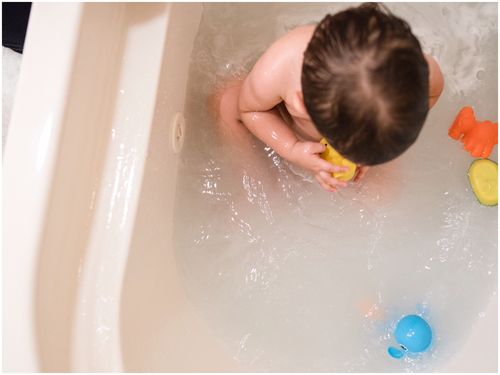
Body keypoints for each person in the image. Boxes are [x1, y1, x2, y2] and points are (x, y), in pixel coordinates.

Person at [216, 3, 444, 192]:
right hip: (284, 122)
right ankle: (253, 176)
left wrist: (372, 152)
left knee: (382, 195)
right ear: (301, 104)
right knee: (226, 103)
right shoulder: (279, 68)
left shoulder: (418, 72)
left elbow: (432, 92)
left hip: (355, 124)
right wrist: (292, 148)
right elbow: (251, 110)